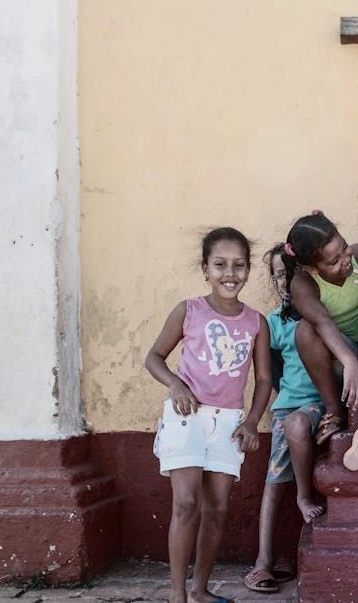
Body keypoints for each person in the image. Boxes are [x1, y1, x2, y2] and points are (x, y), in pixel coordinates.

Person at [144, 227, 271, 603]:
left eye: (238, 266)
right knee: (186, 504)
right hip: (187, 417)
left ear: (248, 271)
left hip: (229, 423)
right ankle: (177, 594)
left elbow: (263, 379)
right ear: (205, 269)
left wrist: (251, 422)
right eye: (220, 265)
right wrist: (176, 384)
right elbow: (153, 357)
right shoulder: (190, 310)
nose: (229, 274)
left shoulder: (256, 322)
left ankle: (199, 590)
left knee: (217, 508)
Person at [281, 211, 358, 471]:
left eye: (344, 248)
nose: (346, 260)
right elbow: (322, 323)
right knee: (304, 330)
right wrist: (349, 362)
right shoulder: (303, 284)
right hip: (342, 358)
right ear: (313, 268)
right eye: (334, 261)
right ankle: (334, 409)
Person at [247, 245, 322, 593]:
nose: (284, 281)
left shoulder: (323, 313)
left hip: (324, 407)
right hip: (288, 410)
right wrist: (286, 403)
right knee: (275, 483)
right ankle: (263, 561)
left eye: (290, 272)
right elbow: (272, 372)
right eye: (278, 273)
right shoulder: (274, 323)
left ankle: (292, 556)